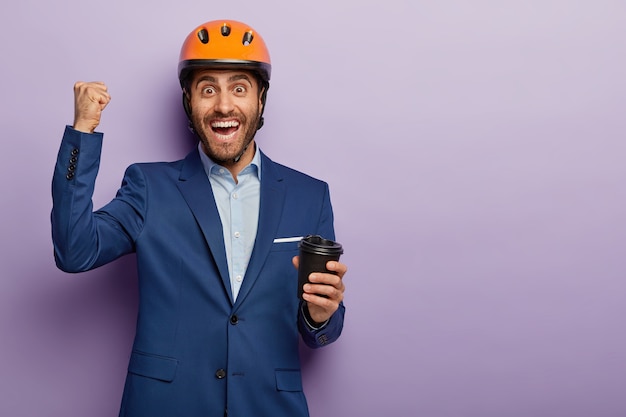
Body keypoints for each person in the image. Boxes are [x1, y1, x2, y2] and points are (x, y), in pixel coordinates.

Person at [51, 19, 347, 417]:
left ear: (260, 100)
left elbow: (322, 332)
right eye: (208, 89)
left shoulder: (310, 196)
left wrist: (320, 316)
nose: (224, 105)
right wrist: (82, 131)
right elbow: (74, 251)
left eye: (239, 88)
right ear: (189, 102)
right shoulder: (148, 187)